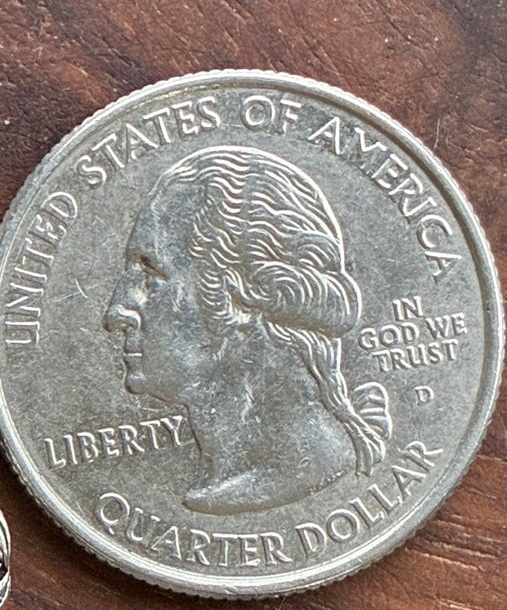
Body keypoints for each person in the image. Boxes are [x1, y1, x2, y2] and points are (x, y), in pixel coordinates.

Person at [102, 145, 391, 515]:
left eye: (150, 274)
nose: (116, 313)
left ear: (239, 294)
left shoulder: (297, 473)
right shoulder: (221, 484)